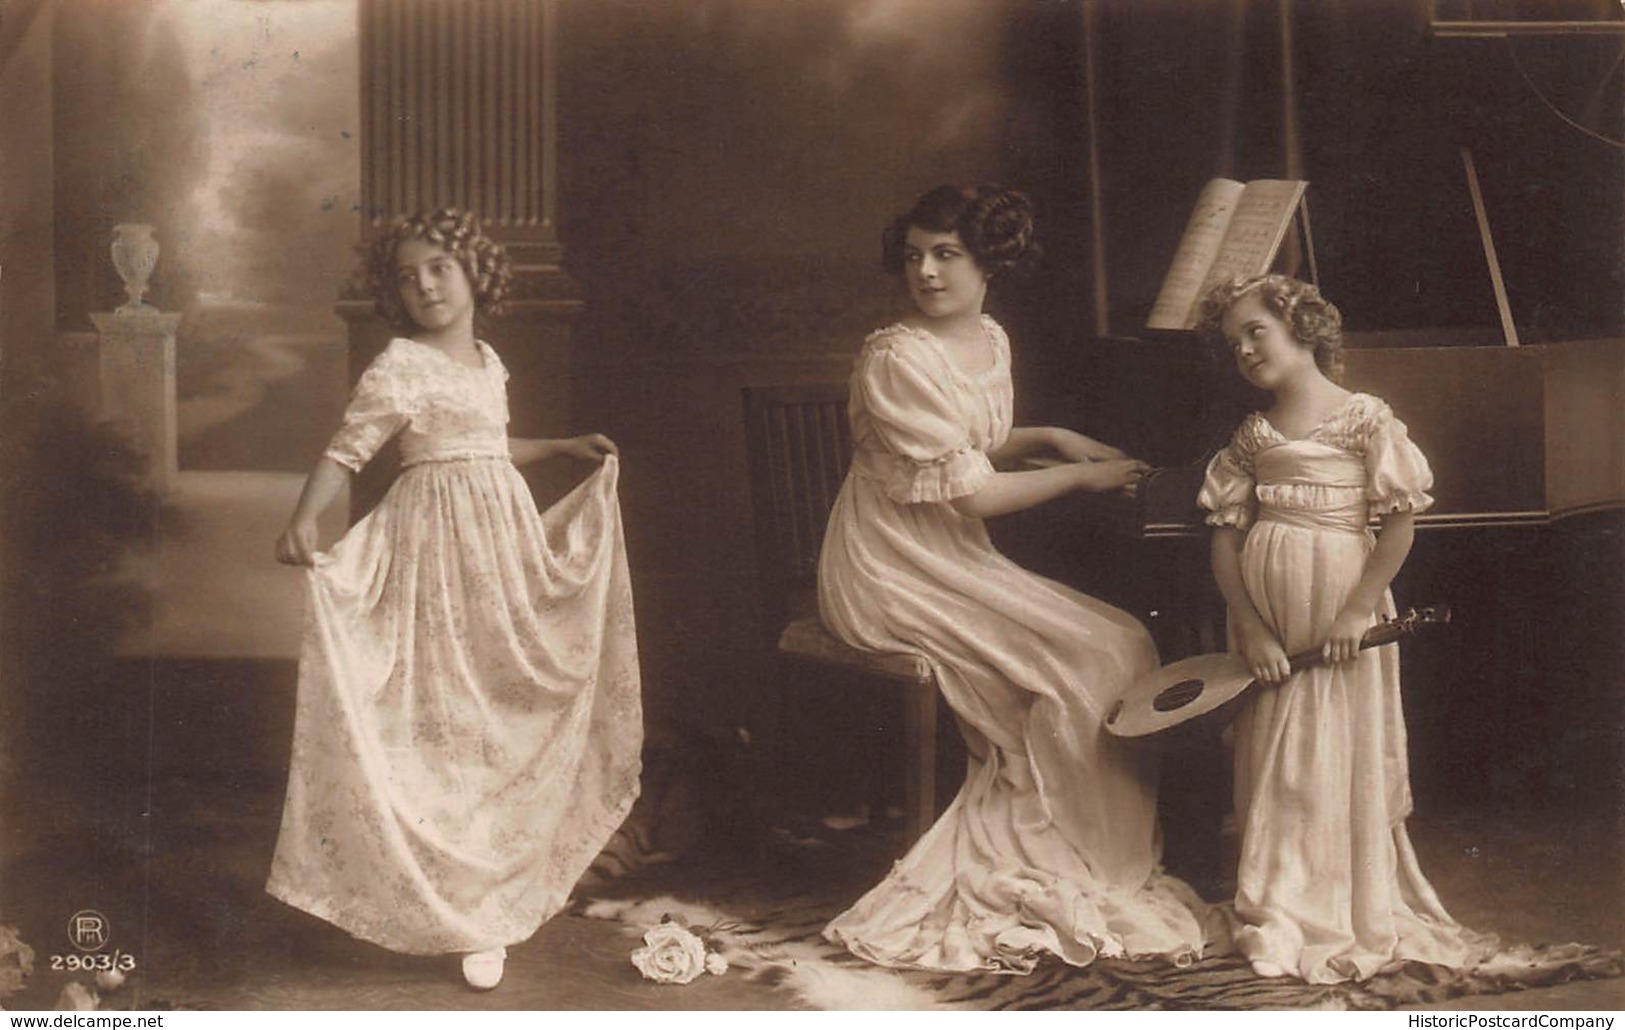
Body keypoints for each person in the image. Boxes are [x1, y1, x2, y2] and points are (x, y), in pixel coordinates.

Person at [816, 183, 1209, 974]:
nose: (925, 271)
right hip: (889, 563)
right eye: (914, 255)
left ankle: (1096, 856)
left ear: (990, 263)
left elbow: (970, 443)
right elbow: (972, 491)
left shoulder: (989, 339)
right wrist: (1080, 479)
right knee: (1094, 655)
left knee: (1121, 641)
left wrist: (1056, 436)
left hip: (949, 553)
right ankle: (1068, 855)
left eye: (945, 255)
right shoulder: (895, 358)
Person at [265, 209, 643, 991]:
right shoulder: (398, 364)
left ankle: (491, 899)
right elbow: (347, 450)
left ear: (474, 272)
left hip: (497, 552)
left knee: (496, 714)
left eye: (438, 267)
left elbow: (485, 443)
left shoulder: (486, 361)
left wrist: (560, 447)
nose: (424, 285)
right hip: (430, 553)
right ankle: (457, 911)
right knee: (445, 719)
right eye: (407, 275)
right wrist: (304, 516)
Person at [1196, 274, 1496, 983]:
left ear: (1302, 326)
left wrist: (1357, 610)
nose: (1242, 350)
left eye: (1255, 332)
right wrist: (1249, 626)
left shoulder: (1364, 418)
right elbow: (1223, 536)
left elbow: (1397, 522)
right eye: (1232, 341)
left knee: (1336, 746)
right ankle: (1275, 895)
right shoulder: (1252, 435)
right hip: (1270, 622)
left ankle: (1334, 897)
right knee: (1276, 751)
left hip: (1340, 608)